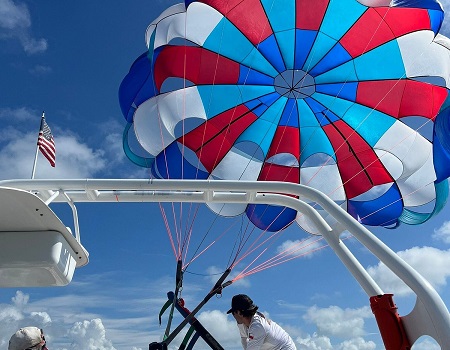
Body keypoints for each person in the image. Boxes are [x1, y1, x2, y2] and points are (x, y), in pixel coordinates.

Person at [227, 294, 296, 350]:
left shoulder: (257, 326)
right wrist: (240, 324)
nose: (233, 316)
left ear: (239, 312)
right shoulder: (245, 323)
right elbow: (244, 339)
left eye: (233, 313)